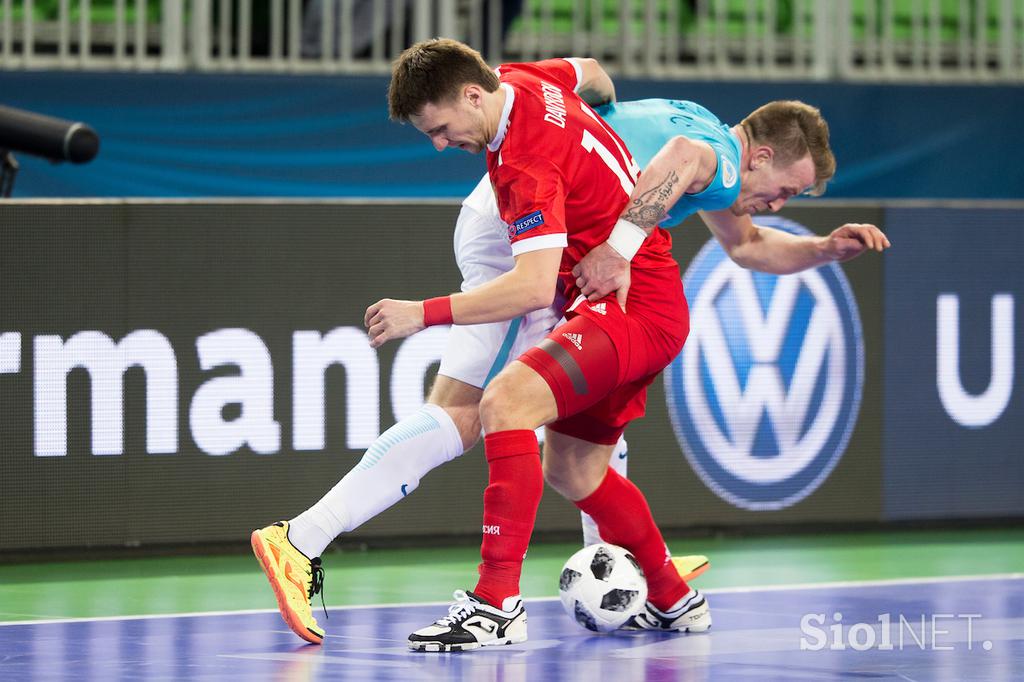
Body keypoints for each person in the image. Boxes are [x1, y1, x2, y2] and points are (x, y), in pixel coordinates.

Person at [253, 46, 890, 648]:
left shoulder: (549, 88)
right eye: (785, 191)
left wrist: (822, 250)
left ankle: (642, 573)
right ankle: (308, 540)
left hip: (553, 229)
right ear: (759, 155)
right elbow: (679, 163)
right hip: (528, 230)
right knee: (479, 410)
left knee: (568, 431)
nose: (777, 206)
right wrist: (619, 242)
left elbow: (593, 76)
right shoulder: (712, 158)